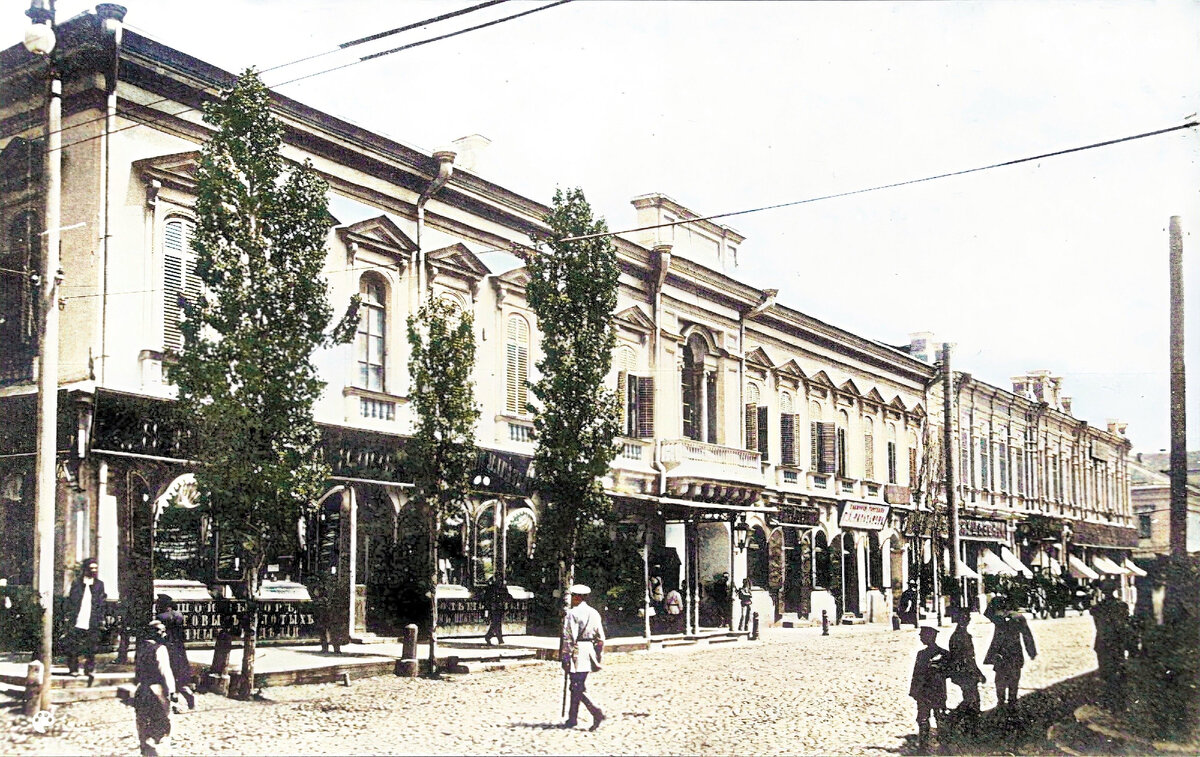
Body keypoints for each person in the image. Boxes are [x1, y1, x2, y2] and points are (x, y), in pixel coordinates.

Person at [560, 584, 606, 731]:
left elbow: (568, 638)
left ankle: (596, 711)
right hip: (589, 651)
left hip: (577, 651)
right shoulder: (594, 613)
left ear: (578, 597)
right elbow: (601, 639)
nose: (572, 599)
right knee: (577, 685)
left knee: (576, 686)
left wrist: (565, 656)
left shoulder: (572, 614)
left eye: (573, 596)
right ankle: (572, 718)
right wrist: (598, 655)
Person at [133, 619, 177, 756]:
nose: (164, 634)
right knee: (161, 722)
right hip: (157, 691)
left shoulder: (141, 648)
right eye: (161, 631)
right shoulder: (160, 649)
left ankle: (145, 749)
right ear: (154, 633)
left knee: (143, 721)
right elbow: (165, 671)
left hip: (142, 690)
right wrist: (172, 691)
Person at [983, 596, 1037, 707]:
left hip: (1001, 652)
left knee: (1000, 679)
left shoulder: (998, 618)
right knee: (1014, 678)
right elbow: (1027, 635)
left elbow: (986, 613)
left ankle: (1001, 702)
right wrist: (1031, 651)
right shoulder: (1018, 617)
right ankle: (1012, 701)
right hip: (1015, 652)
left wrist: (995, 599)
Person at [64, 557, 107, 685]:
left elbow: (101, 603)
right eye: (91, 568)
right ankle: (73, 668)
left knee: (91, 646)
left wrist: (101, 619)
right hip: (78, 618)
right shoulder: (77, 583)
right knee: (74, 645)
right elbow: (71, 601)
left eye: (95, 568)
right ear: (86, 569)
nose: (93, 570)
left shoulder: (99, 584)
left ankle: (89, 669)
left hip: (92, 619)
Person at [1090, 578, 1131, 709]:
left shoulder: (1097, 608)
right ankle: (1119, 701)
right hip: (1117, 642)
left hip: (1102, 642)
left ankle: (1108, 700)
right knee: (1118, 670)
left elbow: (1096, 619)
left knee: (1106, 673)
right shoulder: (1122, 606)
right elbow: (1125, 625)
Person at [909, 626, 950, 751]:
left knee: (938, 717)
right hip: (924, 692)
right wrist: (914, 691)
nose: (921, 637)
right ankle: (923, 746)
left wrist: (937, 669)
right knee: (923, 719)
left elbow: (949, 671)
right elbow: (916, 674)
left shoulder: (943, 654)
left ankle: (942, 745)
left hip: (935, 690)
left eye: (923, 635)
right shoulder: (921, 654)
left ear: (930, 637)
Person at [154, 595, 195, 711]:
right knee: (179, 675)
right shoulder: (179, 615)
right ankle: (187, 694)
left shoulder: (161, 617)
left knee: (167, 674)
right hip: (179, 649)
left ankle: (170, 702)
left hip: (167, 649)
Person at [946, 608, 986, 728]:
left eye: (967, 617)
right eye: (965, 618)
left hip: (965, 672)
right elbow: (967, 658)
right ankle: (953, 720)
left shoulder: (961, 635)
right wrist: (977, 672)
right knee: (972, 699)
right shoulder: (960, 636)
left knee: (972, 698)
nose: (967, 620)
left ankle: (968, 723)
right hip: (965, 672)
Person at [309, 584, 340, 654]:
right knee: (332, 634)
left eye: (316, 591)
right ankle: (336, 649)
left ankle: (325, 648)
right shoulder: (326, 600)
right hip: (328, 618)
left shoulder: (319, 601)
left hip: (323, 619)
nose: (315, 592)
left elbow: (319, 611)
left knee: (323, 634)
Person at [483, 578, 508, 646]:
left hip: (496, 608)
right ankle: (490, 636)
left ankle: (499, 639)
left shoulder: (493, 588)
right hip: (495, 608)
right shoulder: (497, 588)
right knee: (496, 623)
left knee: (497, 623)